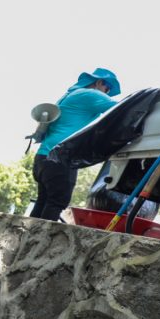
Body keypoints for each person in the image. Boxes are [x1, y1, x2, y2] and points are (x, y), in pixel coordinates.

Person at [31, 68, 120, 221]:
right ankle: (40, 240)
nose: (106, 93)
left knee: (43, 202)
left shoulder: (68, 96)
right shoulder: (91, 94)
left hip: (42, 158)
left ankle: (28, 240)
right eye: (107, 88)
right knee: (57, 202)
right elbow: (123, 108)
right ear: (99, 82)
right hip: (60, 157)